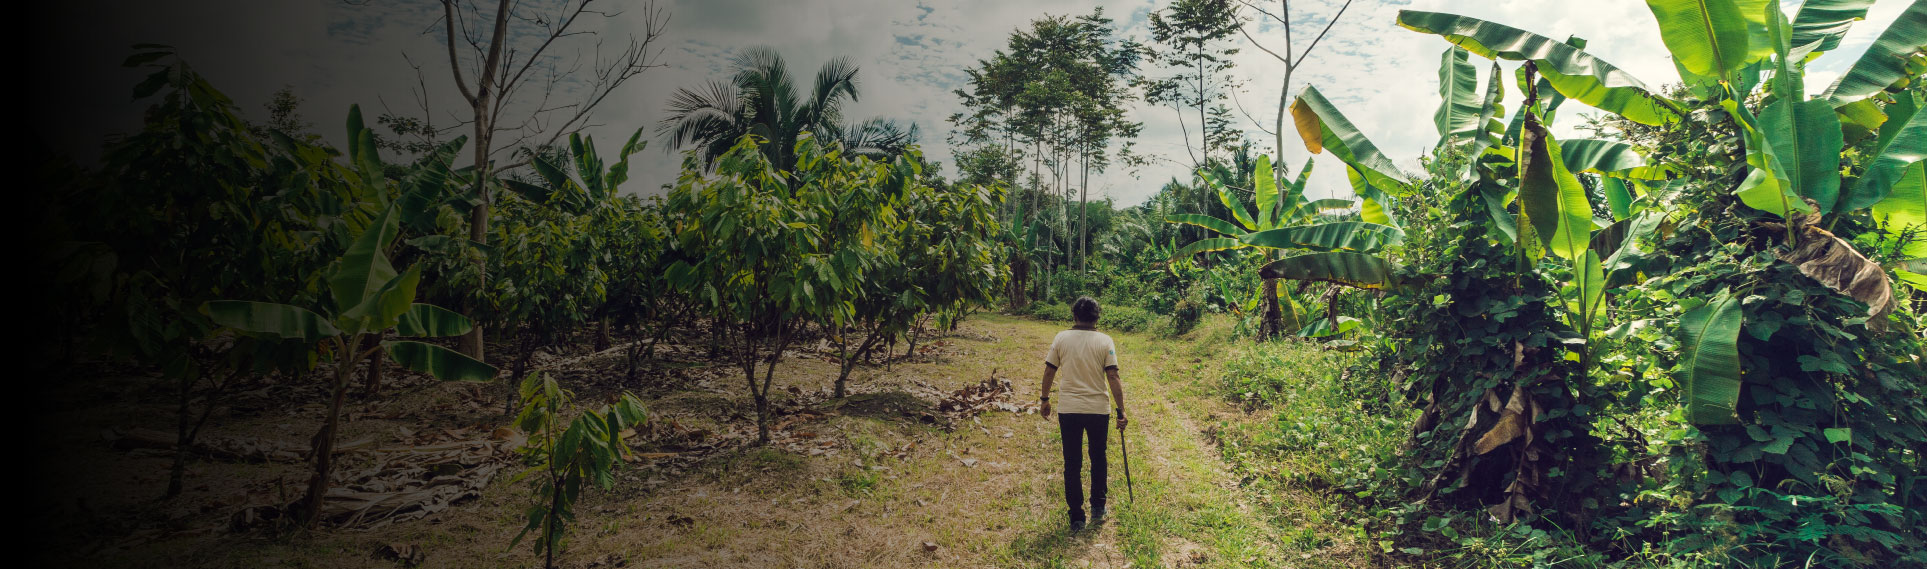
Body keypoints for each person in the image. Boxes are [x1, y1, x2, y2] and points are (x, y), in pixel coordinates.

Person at [1038, 296, 1127, 533]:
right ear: (1097, 317)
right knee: (1098, 458)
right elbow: (1113, 377)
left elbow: (1049, 371)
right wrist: (1121, 410)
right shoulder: (1104, 340)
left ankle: (1076, 516)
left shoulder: (1061, 338)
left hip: (1069, 409)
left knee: (1072, 462)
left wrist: (1045, 399)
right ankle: (1098, 507)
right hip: (1098, 410)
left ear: (1074, 316)